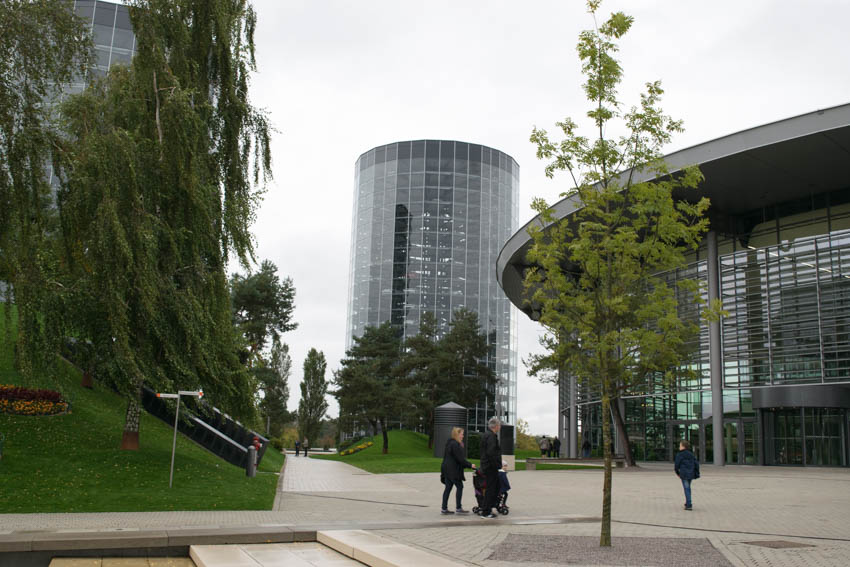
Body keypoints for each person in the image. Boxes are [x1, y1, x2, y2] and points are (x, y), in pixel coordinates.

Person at [440, 427, 476, 515]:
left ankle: (444, 508)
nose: (463, 436)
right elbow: (460, 459)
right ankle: (458, 508)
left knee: (448, 488)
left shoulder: (450, 443)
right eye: (462, 434)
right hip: (453, 470)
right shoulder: (455, 444)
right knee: (460, 487)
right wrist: (470, 465)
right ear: (457, 434)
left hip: (446, 469)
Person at [479, 416, 502, 518]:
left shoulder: (486, 435)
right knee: (491, 488)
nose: (500, 427)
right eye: (499, 425)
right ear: (495, 426)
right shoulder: (491, 437)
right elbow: (491, 453)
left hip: (487, 465)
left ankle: (488, 507)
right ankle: (486, 511)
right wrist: (497, 465)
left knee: (494, 487)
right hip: (490, 467)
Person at [674, 439, 700, 510]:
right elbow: (696, 464)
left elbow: (676, 465)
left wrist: (677, 473)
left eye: (680, 445)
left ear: (683, 446)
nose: (679, 447)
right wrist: (696, 472)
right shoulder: (691, 454)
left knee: (686, 488)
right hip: (691, 473)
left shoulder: (680, 454)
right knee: (688, 488)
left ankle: (689, 504)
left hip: (684, 474)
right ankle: (687, 502)